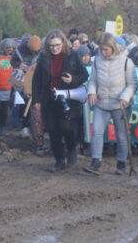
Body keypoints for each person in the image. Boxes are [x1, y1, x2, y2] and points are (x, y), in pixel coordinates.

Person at [32, 29, 89, 172]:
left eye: (57, 45)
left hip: (69, 99)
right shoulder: (43, 58)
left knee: (67, 128)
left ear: (63, 43)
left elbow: (84, 74)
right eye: (51, 45)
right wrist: (36, 99)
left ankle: (72, 149)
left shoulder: (72, 56)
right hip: (50, 100)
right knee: (53, 130)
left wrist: (73, 79)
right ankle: (59, 160)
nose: (54, 48)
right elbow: (36, 80)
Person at [83, 32, 137, 176]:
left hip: (120, 105)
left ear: (113, 47)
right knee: (97, 132)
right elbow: (93, 80)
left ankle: (121, 163)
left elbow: (132, 84)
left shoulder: (126, 62)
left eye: (106, 49)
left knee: (121, 135)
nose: (103, 52)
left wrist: (125, 97)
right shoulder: (96, 61)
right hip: (102, 104)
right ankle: (95, 162)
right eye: (101, 49)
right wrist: (92, 92)